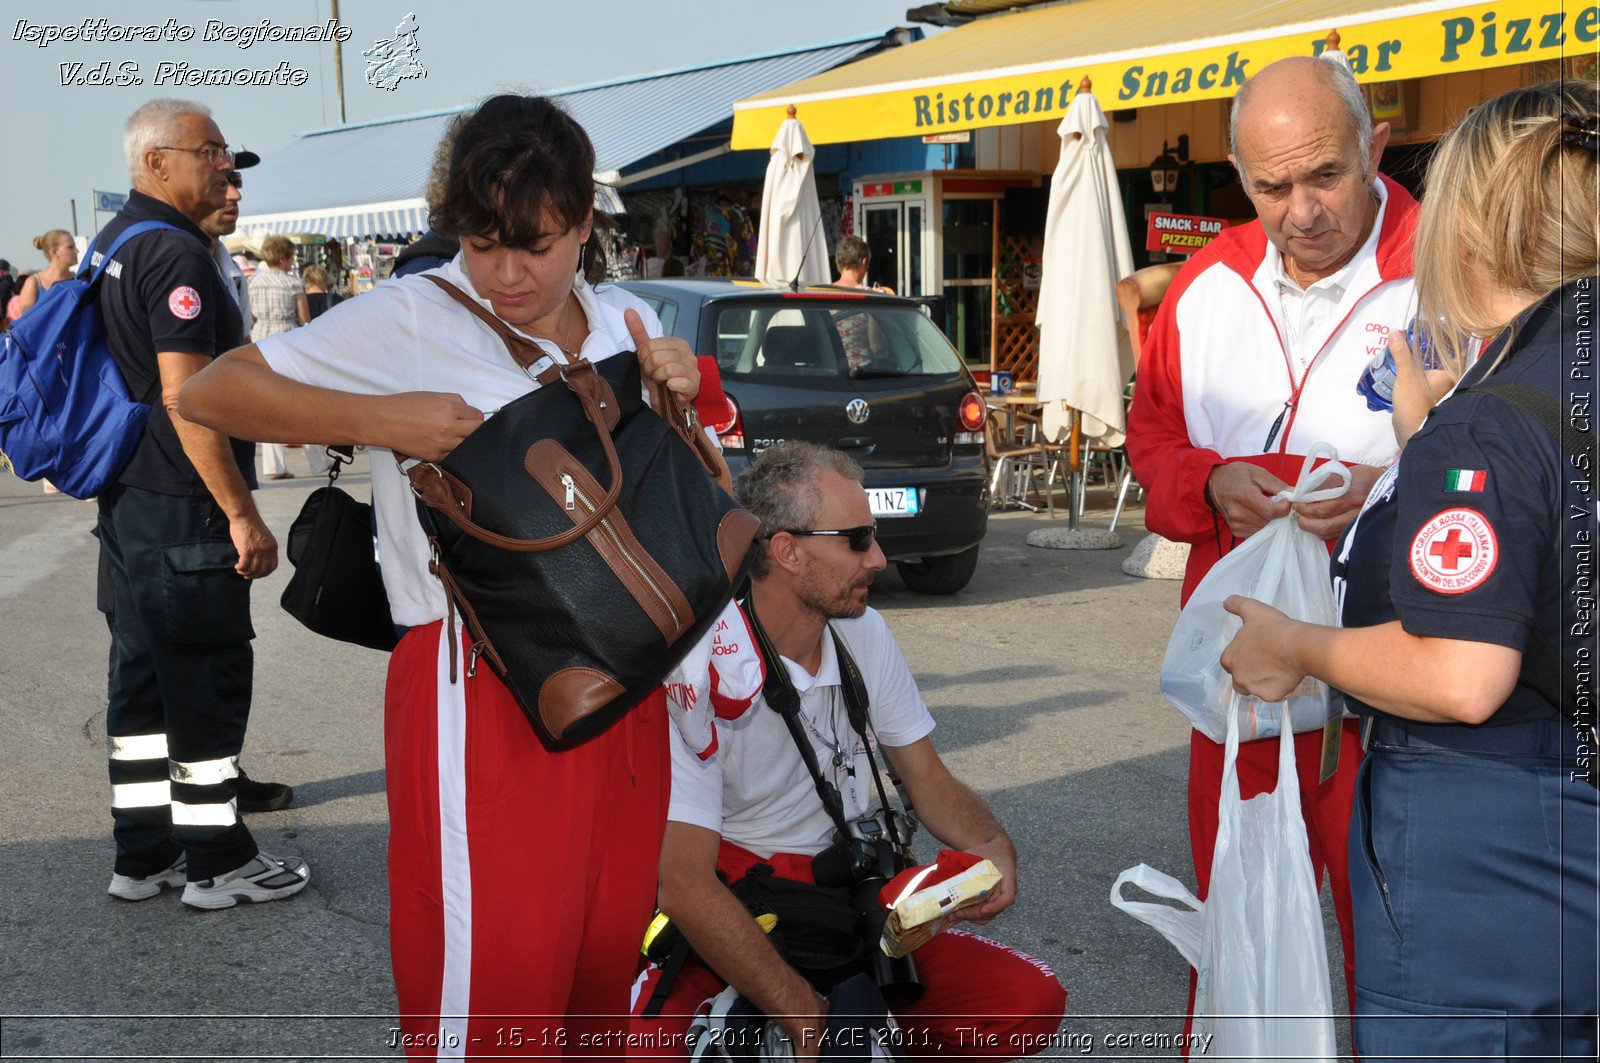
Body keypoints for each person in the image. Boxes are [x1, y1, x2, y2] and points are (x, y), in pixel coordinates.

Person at [178, 94, 708, 1059]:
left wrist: (681, 383)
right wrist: (383, 420)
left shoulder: (631, 312)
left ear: (585, 225)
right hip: (479, 683)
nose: (506, 272)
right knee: (491, 987)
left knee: (599, 971)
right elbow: (210, 390)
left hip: (627, 682)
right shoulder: (416, 312)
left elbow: (695, 480)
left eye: (536, 245)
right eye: (480, 240)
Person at [1222, 80, 1600, 1059]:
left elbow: (1461, 675)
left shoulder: (1496, 417)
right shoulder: (1550, 380)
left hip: (1490, 868)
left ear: (1469, 229)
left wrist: (1297, 645)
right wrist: (1429, 434)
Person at [1123, 55, 1419, 1027]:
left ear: (1375, 147)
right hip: (1243, 681)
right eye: (1269, 185)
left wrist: (1394, 493)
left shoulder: (1450, 269)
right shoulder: (1205, 283)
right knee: (1237, 930)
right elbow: (1152, 437)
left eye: (1325, 174)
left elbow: (1519, 461)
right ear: (1239, 178)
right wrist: (1205, 481)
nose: (1299, 210)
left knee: (1396, 946)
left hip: (1396, 688)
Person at [631, 441, 1066, 1061]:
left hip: (856, 900)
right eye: (858, 540)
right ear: (786, 551)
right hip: (746, 904)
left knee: (1026, 1005)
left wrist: (993, 847)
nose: (879, 558)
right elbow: (684, 887)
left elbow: (928, 778)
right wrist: (805, 1018)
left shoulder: (864, 630)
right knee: (636, 1050)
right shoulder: (704, 665)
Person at [94, 98, 309, 910]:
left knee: (143, 686)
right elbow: (188, 400)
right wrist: (241, 513)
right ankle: (218, 861)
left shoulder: (114, 243)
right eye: (209, 150)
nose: (225, 164)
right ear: (156, 162)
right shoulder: (178, 256)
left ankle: (143, 854)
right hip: (183, 505)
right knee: (205, 682)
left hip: (132, 501)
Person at [248, 234, 325, 480]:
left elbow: (250, 316)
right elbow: (304, 318)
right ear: (283, 258)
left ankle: (273, 466)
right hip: (287, 340)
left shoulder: (253, 283)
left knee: (264, 405)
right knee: (301, 401)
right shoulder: (292, 284)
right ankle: (317, 461)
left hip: (260, 338)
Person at [831, 235, 890, 371]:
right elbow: (876, 345)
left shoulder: (821, 295)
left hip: (831, 372)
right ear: (864, 262)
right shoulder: (866, 298)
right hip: (861, 372)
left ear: (839, 264)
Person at [14, 229, 78, 318]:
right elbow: (25, 324)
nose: (76, 251)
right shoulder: (34, 283)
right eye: (70, 247)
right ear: (55, 252)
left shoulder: (79, 279)